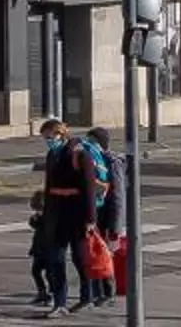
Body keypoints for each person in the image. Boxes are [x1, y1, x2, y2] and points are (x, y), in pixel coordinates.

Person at [29, 119, 97, 317]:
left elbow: (89, 190)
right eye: (45, 139)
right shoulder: (52, 155)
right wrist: (44, 214)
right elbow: (48, 187)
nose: (48, 142)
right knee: (55, 259)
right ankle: (60, 303)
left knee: (79, 258)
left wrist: (90, 219)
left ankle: (87, 296)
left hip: (76, 214)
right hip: (55, 214)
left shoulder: (80, 155)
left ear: (62, 134)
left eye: (51, 137)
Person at [78, 127, 119, 309]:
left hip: (106, 215)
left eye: (92, 140)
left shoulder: (111, 162)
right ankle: (96, 292)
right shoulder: (92, 159)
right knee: (93, 254)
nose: (89, 144)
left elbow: (117, 197)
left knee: (104, 255)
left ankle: (109, 293)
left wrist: (115, 227)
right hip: (95, 211)